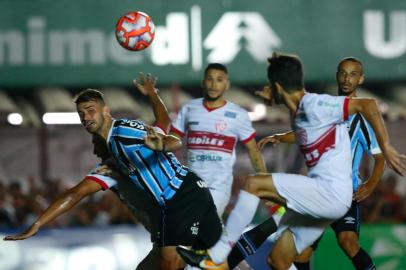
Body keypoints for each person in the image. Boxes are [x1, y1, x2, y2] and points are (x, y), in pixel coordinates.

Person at [177, 52, 406, 270]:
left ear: (277, 86)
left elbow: (368, 105)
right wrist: (279, 129)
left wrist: (385, 146)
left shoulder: (317, 105)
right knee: (278, 260)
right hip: (324, 200)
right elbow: (308, 131)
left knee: (253, 184)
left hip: (330, 192)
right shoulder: (299, 112)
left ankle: (216, 256)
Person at [72, 76, 223, 270]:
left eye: (96, 143)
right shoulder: (110, 169)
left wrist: (153, 95)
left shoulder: (128, 148)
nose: (94, 150)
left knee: (183, 260)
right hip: (164, 228)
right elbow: (163, 122)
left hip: (177, 215)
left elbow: (165, 127)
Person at [259, 57, 385, 270]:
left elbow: (379, 156)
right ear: (337, 75)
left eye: (353, 74)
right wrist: (280, 137)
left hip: (348, 191)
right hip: (319, 190)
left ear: (361, 79)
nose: (346, 79)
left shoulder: (362, 118)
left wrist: (371, 184)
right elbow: (303, 132)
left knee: (348, 242)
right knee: (302, 253)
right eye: (343, 73)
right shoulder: (325, 106)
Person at [170, 63, 278, 269]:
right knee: (214, 243)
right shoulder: (189, 109)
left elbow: (254, 151)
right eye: (210, 79)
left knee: (196, 238)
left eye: (219, 79)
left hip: (218, 187)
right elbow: (172, 140)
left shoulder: (237, 114)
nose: (213, 84)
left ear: (226, 84)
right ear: (203, 82)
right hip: (189, 187)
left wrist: (265, 181)